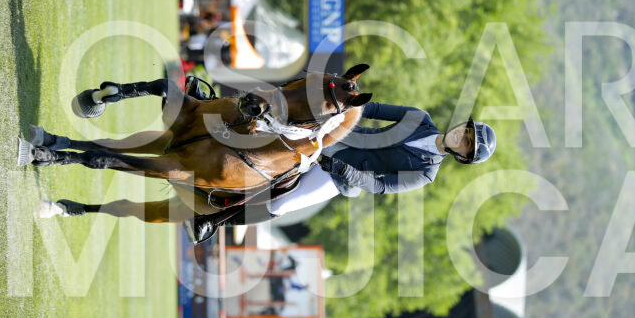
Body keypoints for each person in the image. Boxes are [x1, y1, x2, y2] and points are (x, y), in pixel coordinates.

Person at [183, 102, 497, 244]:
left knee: (283, 204)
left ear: (462, 156)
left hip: (338, 175)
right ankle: (210, 109)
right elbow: (372, 110)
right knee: (281, 120)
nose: (461, 136)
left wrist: (343, 170)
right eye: (467, 131)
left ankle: (212, 223)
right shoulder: (419, 117)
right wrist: (341, 107)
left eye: (467, 143)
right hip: (340, 136)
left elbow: (381, 186)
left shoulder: (426, 173)